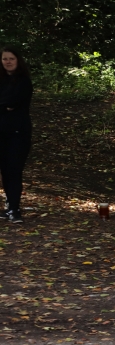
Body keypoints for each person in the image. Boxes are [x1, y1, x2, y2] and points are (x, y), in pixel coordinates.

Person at [0, 46, 33, 224]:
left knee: (13, 170)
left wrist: (7, 104)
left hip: (18, 134)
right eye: (5, 59)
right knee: (4, 171)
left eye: (11, 58)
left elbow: (13, 102)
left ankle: (14, 208)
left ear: (18, 60)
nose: (8, 62)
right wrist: (5, 106)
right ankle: (8, 207)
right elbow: (6, 104)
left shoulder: (23, 81)